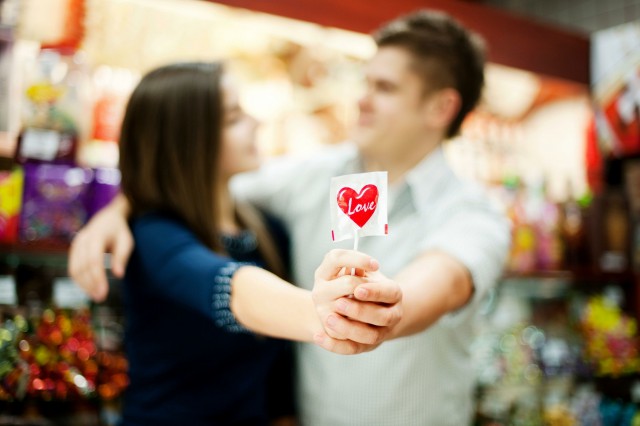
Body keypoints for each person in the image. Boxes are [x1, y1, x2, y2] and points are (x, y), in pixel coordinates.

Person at [69, 9, 511, 425]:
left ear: (441, 108)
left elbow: (444, 281)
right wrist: (120, 208)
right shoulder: (312, 176)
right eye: (365, 82)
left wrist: (386, 311)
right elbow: (191, 180)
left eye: (385, 88)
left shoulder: (473, 213)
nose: (362, 99)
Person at [94, 61, 402, 426]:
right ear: (189, 140)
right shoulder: (154, 236)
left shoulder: (267, 228)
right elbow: (228, 287)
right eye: (234, 117)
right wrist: (321, 311)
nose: (256, 122)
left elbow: (278, 373)